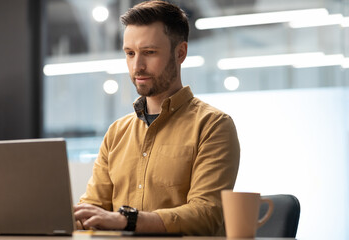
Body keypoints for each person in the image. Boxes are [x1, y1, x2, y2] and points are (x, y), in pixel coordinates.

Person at [74, 0, 240, 236]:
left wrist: (126, 220)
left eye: (149, 53)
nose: (137, 66)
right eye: (130, 54)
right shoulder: (116, 133)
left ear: (180, 52)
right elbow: (94, 208)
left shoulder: (213, 126)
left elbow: (206, 214)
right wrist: (65, 217)